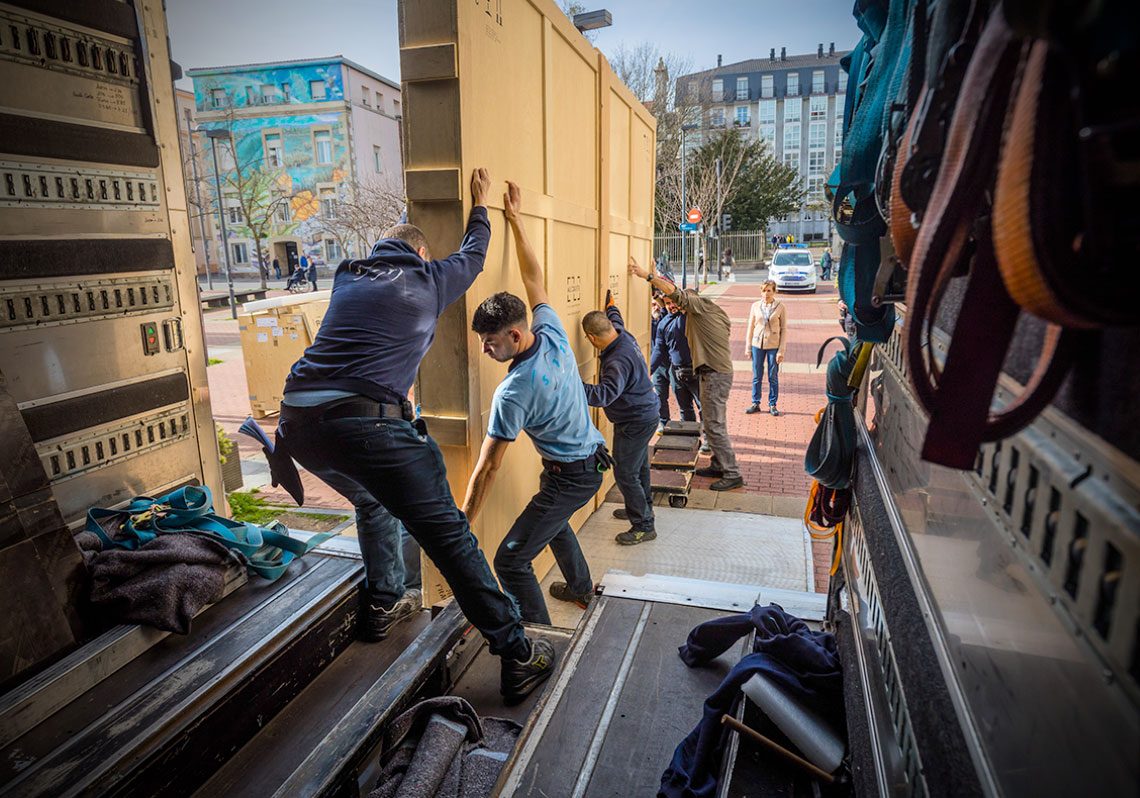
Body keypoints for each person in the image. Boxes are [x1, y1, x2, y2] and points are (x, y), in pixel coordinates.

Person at [278, 168, 554, 705]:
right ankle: (518, 655)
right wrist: (480, 205)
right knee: (451, 539)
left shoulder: (347, 274)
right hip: (366, 424)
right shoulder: (428, 279)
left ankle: (384, 600)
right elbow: (474, 255)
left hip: (297, 423)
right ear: (423, 256)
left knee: (369, 497)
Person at [463, 180, 608, 624]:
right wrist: (515, 218)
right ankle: (582, 589)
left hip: (574, 474)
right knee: (552, 521)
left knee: (510, 560)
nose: (485, 351)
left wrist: (461, 526)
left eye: (489, 343)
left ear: (513, 335)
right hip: (589, 462)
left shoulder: (513, 390)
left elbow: (488, 467)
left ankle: (543, 642)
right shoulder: (550, 329)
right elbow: (534, 276)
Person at [629, 255, 743, 491]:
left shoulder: (698, 307)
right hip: (716, 373)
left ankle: (732, 473)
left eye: (684, 305)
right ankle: (718, 465)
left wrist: (649, 276)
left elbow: (677, 294)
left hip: (714, 375)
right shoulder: (715, 312)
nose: (678, 307)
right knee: (713, 423)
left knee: (714, 425)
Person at [580, 293, 659, 546]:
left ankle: (643, 526)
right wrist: (610, 302)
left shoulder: (616, 361)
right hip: (643, 414)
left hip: (635, 420)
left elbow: (603, 395)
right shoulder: (621, 334)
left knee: (625, 473)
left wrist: (571, 384)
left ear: (592, 338)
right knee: (639, 468)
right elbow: (615, 315)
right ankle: (643, 509)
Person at [744, 280, 787, 416]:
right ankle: (755, 403)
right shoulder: (755, 306)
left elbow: (784, 330)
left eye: (769, 290)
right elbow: (750, 327)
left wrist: (781, 351)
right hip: (757, 345)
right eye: (764, 291)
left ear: (774, 292)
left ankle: (772, 404)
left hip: (773, 346)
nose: (766, 293)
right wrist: (748, 347)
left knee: (772, 376)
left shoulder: (780, 307)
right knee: (757, 376)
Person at [660, 293, 701, 423]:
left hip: (697, 370)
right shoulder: (664, 323)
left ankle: (709, 440)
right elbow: (658, 351)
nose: (671, 305)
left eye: (673, 302)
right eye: (667, 303)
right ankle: (690, 437)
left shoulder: (691, 317)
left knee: (705, 408)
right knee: (685, 409)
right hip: (676, 372)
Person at [649, 293, 673, 431]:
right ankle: (664, 423)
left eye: (658, 305)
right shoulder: (649, 323)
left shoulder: (667, 318)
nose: (656, 308)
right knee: (660, 396)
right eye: (653, 305)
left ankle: (687, 426)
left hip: (674, 364)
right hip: (658, 366)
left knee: (683, 397)